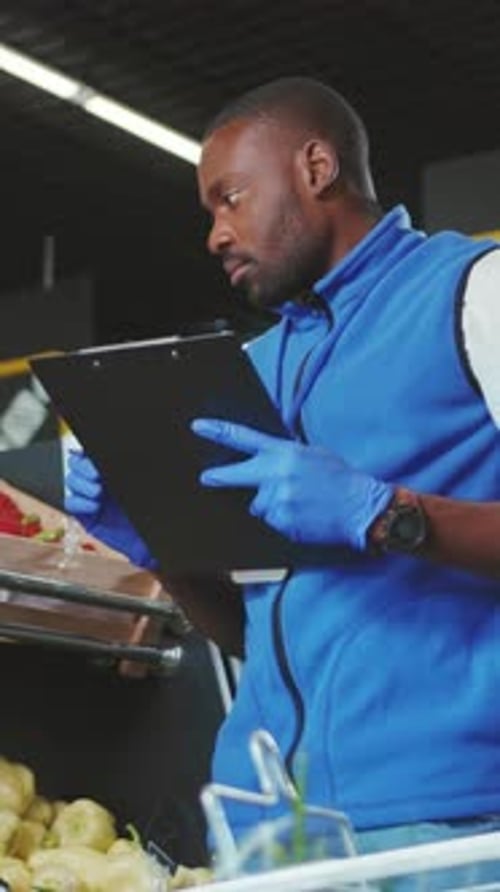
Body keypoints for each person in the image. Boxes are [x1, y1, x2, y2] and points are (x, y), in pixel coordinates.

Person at [66, 77, 500, 862]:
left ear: (316, 166)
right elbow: (254, 639)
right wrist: (165, 548)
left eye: (230, 198)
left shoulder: (473, 292)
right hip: (270, 832)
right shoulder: (251, 371)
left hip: (447, 823)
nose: (215, 235)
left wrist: (385, 513)